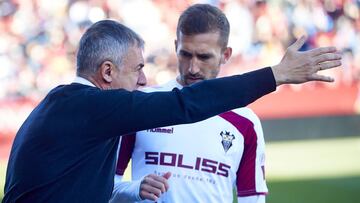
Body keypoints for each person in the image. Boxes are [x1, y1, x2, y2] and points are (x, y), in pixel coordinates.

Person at [3, 16, 340, 202]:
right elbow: (185, 103)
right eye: (136, 69)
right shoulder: (91, 107)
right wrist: (276, 75)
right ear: (107, 72)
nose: (144, 79)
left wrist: (132, 190)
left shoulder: (65, 105)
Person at [110, 4, 267, 203]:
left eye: (204, 57)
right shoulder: (142, 105)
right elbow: (103, 187)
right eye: (185, 54)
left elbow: (252, 199)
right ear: (176, 46)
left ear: (225, 55)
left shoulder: (245, 122)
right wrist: (135, 188)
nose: (193, 67)